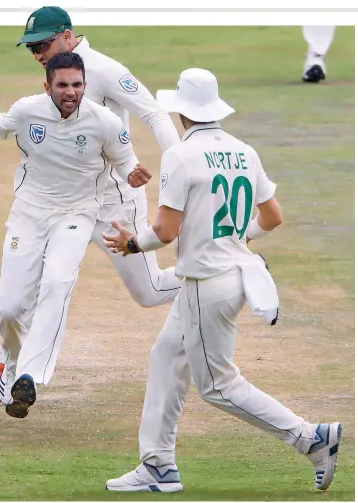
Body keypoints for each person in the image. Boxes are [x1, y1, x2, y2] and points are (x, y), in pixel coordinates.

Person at [102, 68, 341, 492]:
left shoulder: (180, 155)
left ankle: (311, 438)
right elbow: (273, 217)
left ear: (180, 112)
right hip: (233, 276)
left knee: (217, 385)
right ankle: (157, 465)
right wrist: (232, 236)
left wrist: (133, 244)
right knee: (166, 358)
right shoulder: (243, 151)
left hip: (204, 284)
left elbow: (166, 231)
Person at [0, 5, 182, 401]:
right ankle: (12, 375)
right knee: (33, 293)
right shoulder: (47, 89)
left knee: (149, 292)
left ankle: (224, 268)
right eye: (32, 49)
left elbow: (155, 115)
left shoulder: (106, 70)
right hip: (64, 204)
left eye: (42, 44)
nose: (37, 54)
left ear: (66, 34)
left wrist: (184, 169)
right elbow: (10, 125)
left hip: (114, 204)